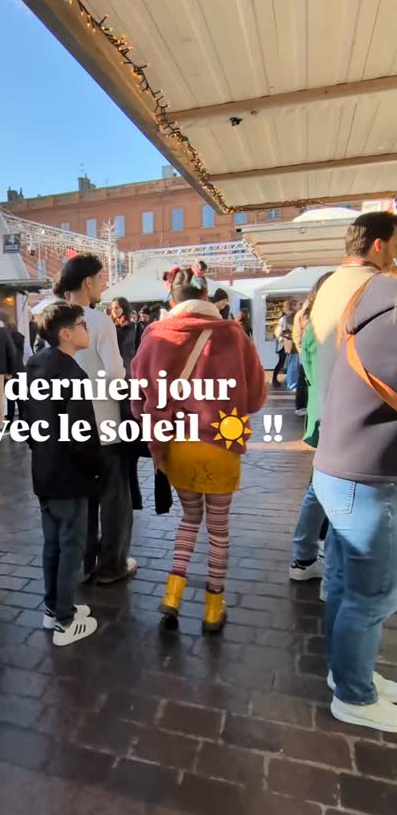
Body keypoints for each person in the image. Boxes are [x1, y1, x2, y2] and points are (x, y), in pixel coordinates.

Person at [132, 267, 267, 633]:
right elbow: (255, 396)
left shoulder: (156, 336)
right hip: (222, 443)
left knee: (189, 520)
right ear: (207, 297)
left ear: (171, 300)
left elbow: (139, 395)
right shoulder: (234, 336)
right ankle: (212, 607)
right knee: (219, 530)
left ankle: (173, 596)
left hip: (179, 446)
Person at [313, 269, 397, 732]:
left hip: (344, 469)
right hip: (366, 478)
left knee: (346, 586)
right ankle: (354, 695)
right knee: (370, 595)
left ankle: (347, 674)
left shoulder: (372, 309)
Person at [26, 301, 100, 646]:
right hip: (70, 475)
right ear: (66, 333)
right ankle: (65, 622)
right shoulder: (73, 374)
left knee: (52, 543)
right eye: (82, 325)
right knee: (71, 545)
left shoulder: (35, 364)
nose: (87, 330)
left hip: (43, 469)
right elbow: (81, 436)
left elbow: (26, 423)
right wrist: (96, 469)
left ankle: (55, 608)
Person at [59, 253, 136, 583]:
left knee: (83, 499)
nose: (104, 284)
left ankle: (85, 560)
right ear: (87, 282)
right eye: (101, 278)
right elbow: (116, 374)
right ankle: (111, 565)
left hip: (69, 427)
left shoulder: (50, 319)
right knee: (114, 499)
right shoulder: (99, 321)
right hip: (104, 425)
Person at [310, 212, 397, 421]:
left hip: (331, 418)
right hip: (372, 422)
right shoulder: (383, 288)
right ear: (378, 245)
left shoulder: (327, 285)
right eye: (395, 246)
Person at [288, 273, 333, 584]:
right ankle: (312, 558)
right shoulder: (329, 328)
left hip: (322, 413)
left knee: (319, 485)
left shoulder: (311, 327)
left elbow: (308, 371)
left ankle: (306, 556)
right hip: (337, 416)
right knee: (323, 487)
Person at [110, 296, 138, 376]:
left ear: (124, 308)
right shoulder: (110, 326)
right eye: (112, 308)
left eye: (117, 308)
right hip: (114, 366)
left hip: (128, 367)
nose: (114, 311)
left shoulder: (133, 326)